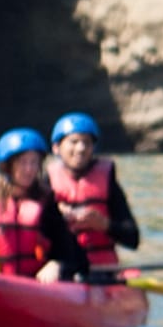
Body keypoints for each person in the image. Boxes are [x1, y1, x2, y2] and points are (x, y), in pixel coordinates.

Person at [0, 128, 86, 281]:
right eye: (22, 162)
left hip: (34, 287)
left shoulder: (47, 205)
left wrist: (56, 265)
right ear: (7, 166)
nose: (29, 169)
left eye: (34, 162)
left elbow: (70, 254)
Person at [43, 113, 140, 273]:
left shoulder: (108, 183)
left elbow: (133, 239)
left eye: (86, 142)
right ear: (56, 147)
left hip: (102, 271)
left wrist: (104, 224)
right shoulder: (45, 184)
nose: (81, 148)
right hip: (63, 269)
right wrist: (56, 216)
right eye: (74, 142)